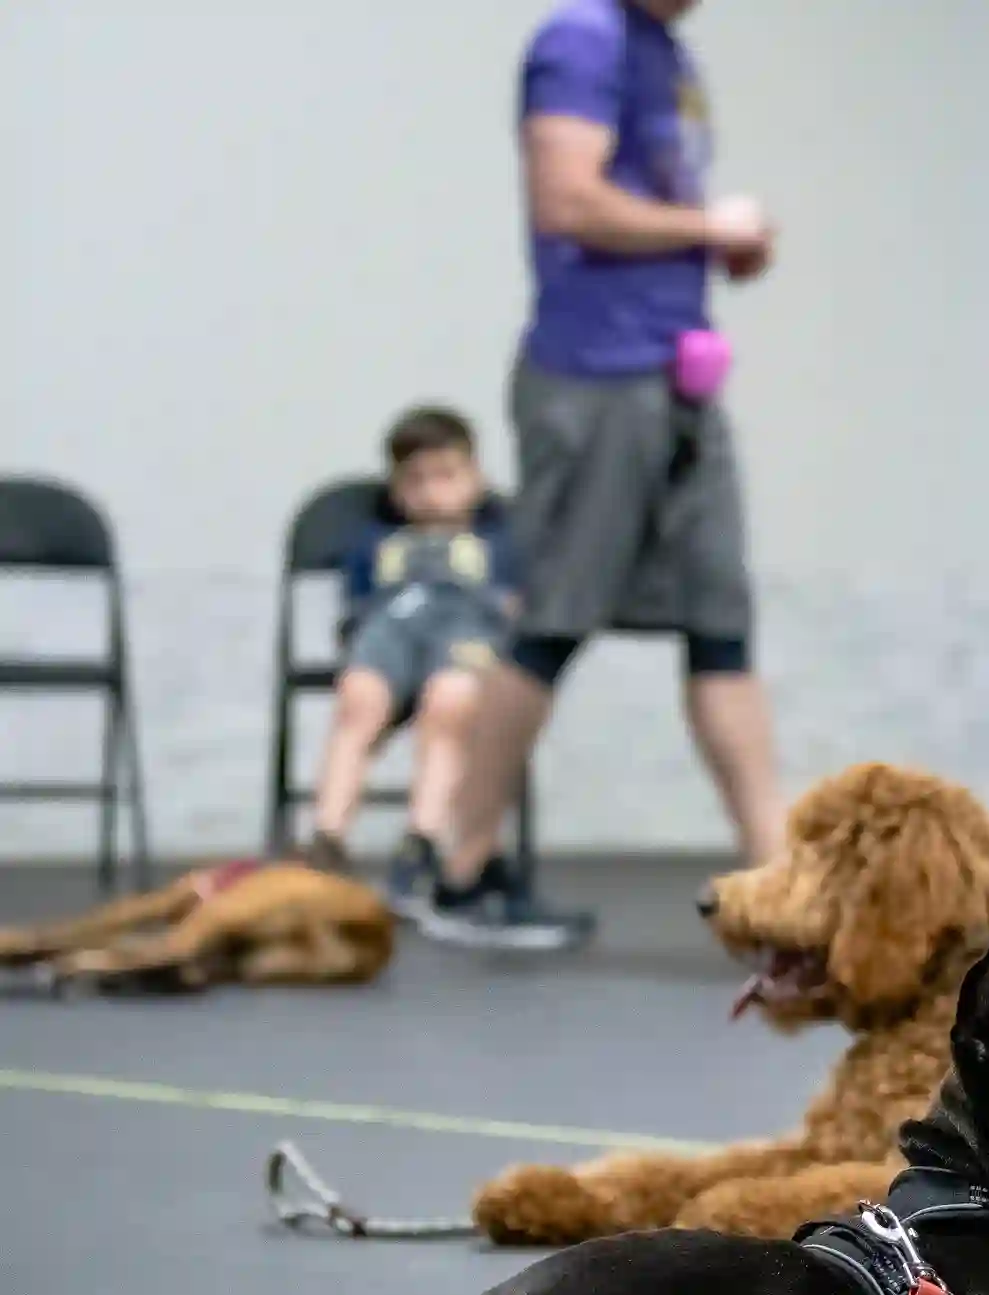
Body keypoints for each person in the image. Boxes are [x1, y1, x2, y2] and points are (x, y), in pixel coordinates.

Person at [422, 0, 785, 950]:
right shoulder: (581, 37)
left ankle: (784, 890)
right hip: (593, 381)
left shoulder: (668, 52)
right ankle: (459, 869)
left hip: (678, 379)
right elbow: (567, 200)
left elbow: (638, 206)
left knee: (721, 622)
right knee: (549, 621)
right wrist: (708, 223)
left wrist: (715, 244)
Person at [302, 407, 522, 917]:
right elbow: (357, 605)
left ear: (477, 478)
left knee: (449, 704)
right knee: (358, 700)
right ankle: (327, 840)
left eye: (446, 476)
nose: (431, 491)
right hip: (392, 630)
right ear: (396, 489)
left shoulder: (499, 541)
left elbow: (516, 604)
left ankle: (420, 841)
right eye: (415, 480)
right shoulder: (377, 542)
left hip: (466, 634)